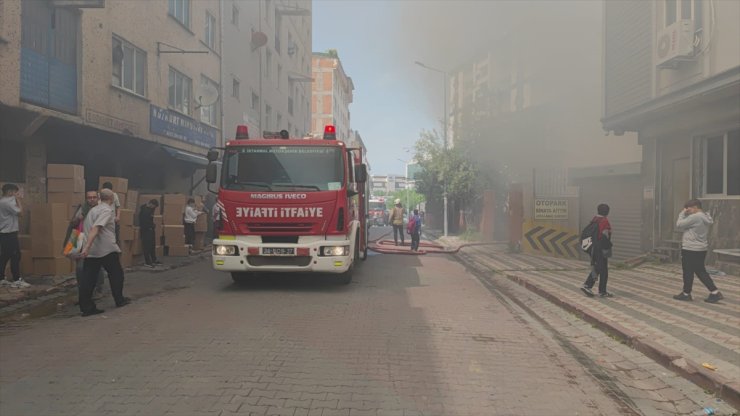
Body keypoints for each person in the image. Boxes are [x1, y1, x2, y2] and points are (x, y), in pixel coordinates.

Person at [78, 189, 130, 317]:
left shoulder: (92, 210)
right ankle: (119, 299)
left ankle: (86, 307)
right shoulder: (106, 210)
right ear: (112, 199)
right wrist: (87, 247)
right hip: (106, 250)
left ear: (100, 197)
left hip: (92, 252)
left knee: (88, 280)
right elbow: (97, 228)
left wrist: (85, 247)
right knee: (116, 274)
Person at [673, 199, 723, 303]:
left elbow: (679, 224)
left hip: (690, 248)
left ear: (695, 207)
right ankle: (713, 292)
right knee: (699, 270)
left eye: (688, 208)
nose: (687, 210)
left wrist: (682, 213)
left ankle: (688, 294)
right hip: (701, 248)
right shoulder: (705, 216)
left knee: (689, 271)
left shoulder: (695, 217)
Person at [68, 190, 105, 293]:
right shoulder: (82, 208)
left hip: (95, 240)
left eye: (94, 197)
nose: (92, 199)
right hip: (79, 237)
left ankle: (98, 288)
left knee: (97, 265)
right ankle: (82, 289)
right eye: (89, 197)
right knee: (80, 266)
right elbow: (72, 223)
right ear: (86, 198)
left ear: (98, 198)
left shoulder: (101, 210)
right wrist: (78, 218)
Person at [0, 183, 30, 288]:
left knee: (5, 256)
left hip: (5, 233)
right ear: (8, 192)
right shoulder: (6, 203)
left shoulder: (4, 201)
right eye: (14, 192)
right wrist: (18, 200)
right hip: (9, 233)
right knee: (16, 255)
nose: (15, 194)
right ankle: (17, 279)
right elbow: (21, 213)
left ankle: (1, 278)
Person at [580, 203, 613, 298]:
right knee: (602, 268)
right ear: (607, 212)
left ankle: (602, 291)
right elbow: (605, 236)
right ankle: (588, 285)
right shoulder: (604, 221)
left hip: (592, 247)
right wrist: (608, 247)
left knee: (599, 267)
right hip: (600, 248)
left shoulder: (595, 219)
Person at [138, 199, 161, 268]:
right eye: (154, 206)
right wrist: (151, 226)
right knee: (147, 246)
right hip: (146, 230)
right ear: (151, 204)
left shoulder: (150, 209)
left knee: (152, 245)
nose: (154, 208)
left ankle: (154, 259)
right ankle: (147, 262)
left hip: (151, 229)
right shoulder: (145, 211)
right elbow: (144, 222)